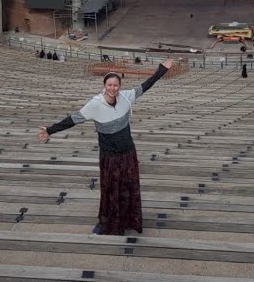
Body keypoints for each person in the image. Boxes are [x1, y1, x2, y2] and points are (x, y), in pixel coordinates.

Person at [38, 59, 175, 235]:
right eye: (109, 85)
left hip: (128, 153)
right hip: (109, 157)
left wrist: (162, 70)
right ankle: (106, 223)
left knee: (129, 187)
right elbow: (73, 119)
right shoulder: (94, 104)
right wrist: (50, 130)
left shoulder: (127, 96)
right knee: (110, 190)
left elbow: (146, 85)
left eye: (116, 85)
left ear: (120, 86)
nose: (113, 88)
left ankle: (129, 220)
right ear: (104, 86)